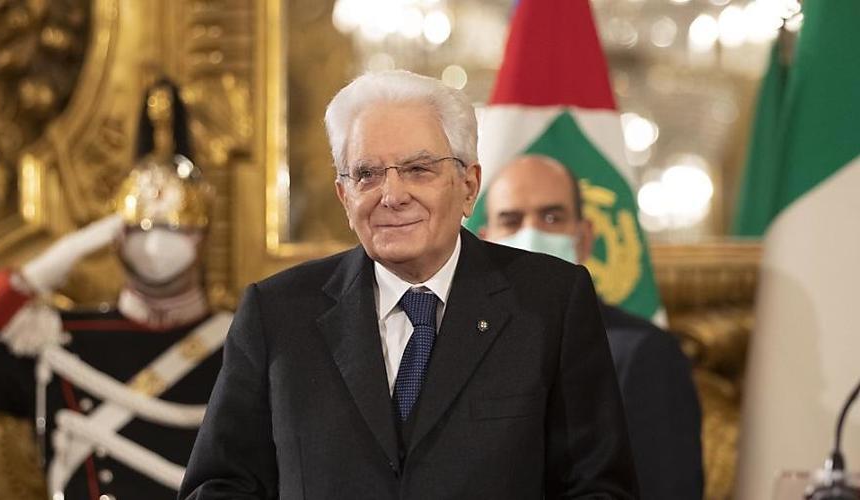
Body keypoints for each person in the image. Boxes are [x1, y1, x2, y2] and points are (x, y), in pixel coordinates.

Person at [179, 70, 638, 499]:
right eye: (367, 174)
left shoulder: (551, 302)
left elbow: (597, 488)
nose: (392, 196)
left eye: (419, 169)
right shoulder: (276, 313)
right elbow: (219, 485)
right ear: (345, 196)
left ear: (468, 186)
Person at [0, 80, 232, 500]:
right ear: (114, 236)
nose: (157, 243)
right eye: (142, 228)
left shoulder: (242, 340)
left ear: (203, 236)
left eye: (176, 227)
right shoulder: (58, 340)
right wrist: (30, 278)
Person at [480, 154, 704, 500]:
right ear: (484, 240)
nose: (531, 234)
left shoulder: (643, 354)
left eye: (552, 217)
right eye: (511, 220)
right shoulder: (462, 344)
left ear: (584, 238)